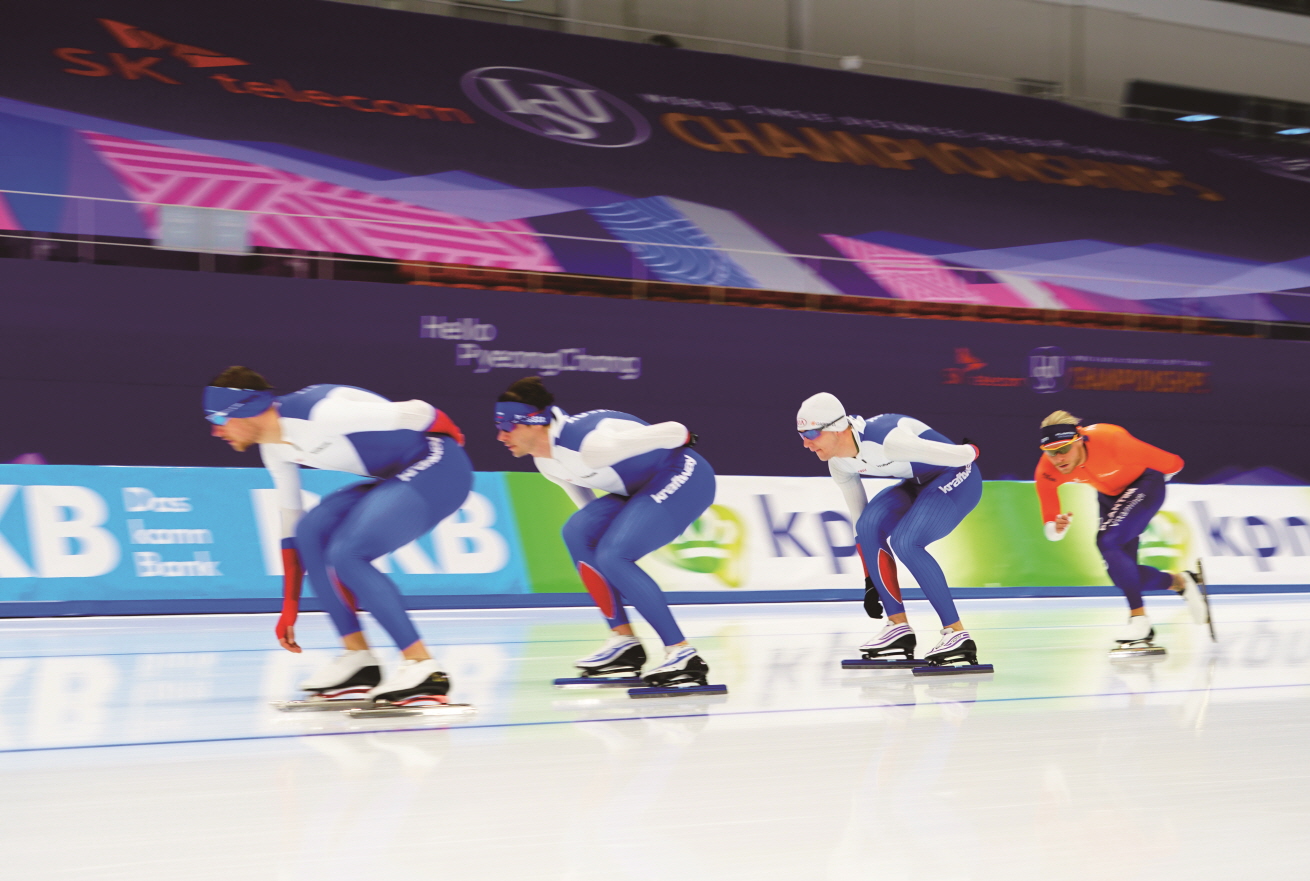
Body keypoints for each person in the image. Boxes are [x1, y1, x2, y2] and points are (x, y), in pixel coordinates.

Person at [204, 366, 472, 706]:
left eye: (218, 418)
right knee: (310, 530)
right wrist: (289, 606)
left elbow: (419, 411)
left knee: (348, 554)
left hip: (440, 464)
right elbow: (290, 528)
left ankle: (423, 667)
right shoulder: (273, 448)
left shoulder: (320, 413)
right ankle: (358, 659)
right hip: (398, 474)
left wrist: (454, 436)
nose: (215, 431)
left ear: (247, 408)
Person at [494, 376, 714, 688]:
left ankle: (682, 654)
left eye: (508, 426)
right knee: (576, 533)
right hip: (637, 488)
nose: (501, 435)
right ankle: (625, 643)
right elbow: (587, 511)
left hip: (683, 474)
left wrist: (687, 437)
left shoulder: (590, 447)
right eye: (498, 426)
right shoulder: (546, 463)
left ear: (535, 422)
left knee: (614, 555)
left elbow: (674, 430)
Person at [797, 392, 984, 667]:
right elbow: (859, 520)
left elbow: (961, 455)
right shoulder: (838, 463)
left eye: (811, 433)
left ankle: (957, 634)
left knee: (905, 541)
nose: (805, 443)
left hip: (957, 475)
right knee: (867, 525)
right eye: (801, 435)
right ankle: (898, 627)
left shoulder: (887, 440)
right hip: (917, 483)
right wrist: (869, 579)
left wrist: (972, 449)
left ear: (836, 428)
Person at [1035, 411, 1208, 651]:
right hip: (1109, 497)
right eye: (1051, 452)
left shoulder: (1111, 440)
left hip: (1144, 484)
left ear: (1079, 440)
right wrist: (1057, 528)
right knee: (1122, 576)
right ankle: (1179, 582)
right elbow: (1050, 526)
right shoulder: (1047, 470)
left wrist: (1144, 493)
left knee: (1107, 541)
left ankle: (1139, 620)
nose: (1058, 458)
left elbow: (1174, 463)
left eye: (1064, 449)